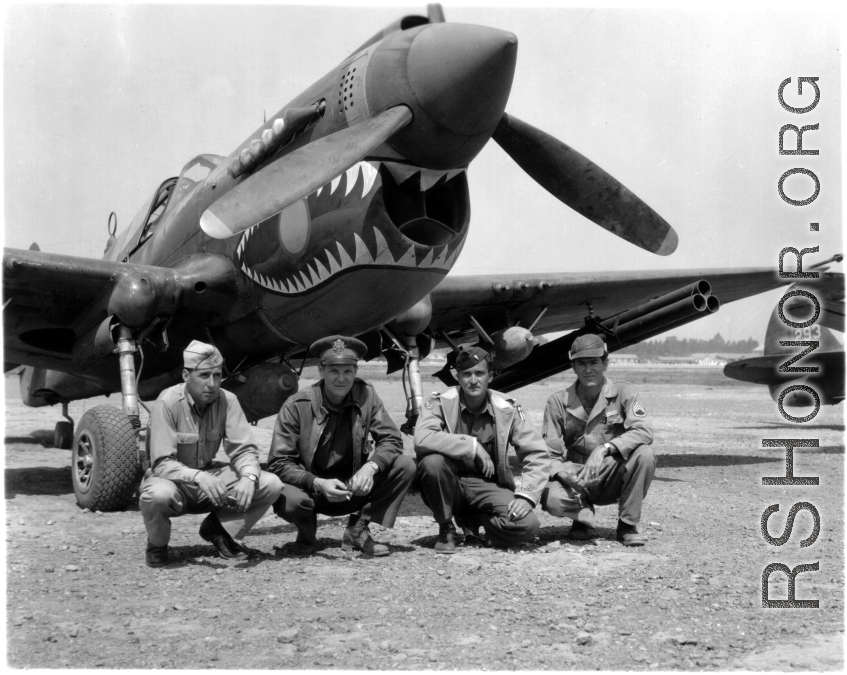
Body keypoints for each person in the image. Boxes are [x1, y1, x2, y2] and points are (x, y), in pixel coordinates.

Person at [267, 335, 415, 557]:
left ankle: (358, 528)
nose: (341, 378)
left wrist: (370, 467)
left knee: (404, 465)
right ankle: (306, 533)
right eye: (334, 371)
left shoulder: (367, 395)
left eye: (347, 371)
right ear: (321, 371)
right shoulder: (297, 405)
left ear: (355, 371)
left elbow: (391, 440)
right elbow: (279, 462)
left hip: (353, 487)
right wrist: (316, 482)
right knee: (289, 497)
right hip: (312, 489)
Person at [139, 341, 283, 567]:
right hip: (174, 482)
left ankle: (219, 529)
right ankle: (157, 544)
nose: (213, 383)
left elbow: (243, 449)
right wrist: (198, 477)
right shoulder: (167, 402)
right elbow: (161, 464)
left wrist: (248, 477)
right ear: (186, 375)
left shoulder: (228, 400)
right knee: (157, 495)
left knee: (269, 483)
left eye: (217, 375)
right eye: (204, 375)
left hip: (208, 479)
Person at [414, 345, 552, 553]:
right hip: (453, 483)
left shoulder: (507, 408)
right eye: (466, 374)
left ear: (490, 376)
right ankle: (446, 527)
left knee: (527, 526)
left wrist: (526, 495)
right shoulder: (440, 402)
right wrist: (471, 445)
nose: (473, 380)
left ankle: (476, 520)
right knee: (432, 463)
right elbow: (422, 438)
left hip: (489, 485)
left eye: (479, 373)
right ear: (457, 377)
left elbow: (537, 453)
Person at [540, 334, 655, 546]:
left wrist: (604, 448)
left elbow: (644, 430)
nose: (588, 369)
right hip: (576, 477)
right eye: (581, 363)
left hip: (611, 474)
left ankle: (627, 525)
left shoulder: (623, 392)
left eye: (594, 362)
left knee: (645, 455)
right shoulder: (557, 402)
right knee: (550, 497)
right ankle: (581, 516)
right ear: (573, 367)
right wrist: (565, 475)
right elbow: (548, 453)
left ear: (606, 363)